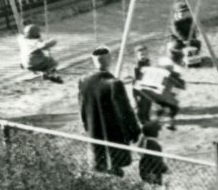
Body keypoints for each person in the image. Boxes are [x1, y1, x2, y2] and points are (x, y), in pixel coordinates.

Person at [78, 46, 141, 176]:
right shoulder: (114, 84)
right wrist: (134, 131)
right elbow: (125, 111)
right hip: (113, 131)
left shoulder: (83, 80)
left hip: (94, 128)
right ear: (109, 60)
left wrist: (86, 125)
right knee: (115, 163)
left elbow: (82, 107)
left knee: (100, 162)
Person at [134, 49, 186, 131]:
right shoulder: (173, 69)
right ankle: (166, 122)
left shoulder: (164, 63)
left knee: (163, 107)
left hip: (155, 90)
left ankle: (162, 120)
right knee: (171, 107)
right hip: (154, 90)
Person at [137, 121, 169, 186]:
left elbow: (139, 150)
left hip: (144, 169)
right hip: (153, 171)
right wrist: (165, 169)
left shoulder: (145, 141)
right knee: (155, 186)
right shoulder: (155, 145)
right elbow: (157, 160)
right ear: (156, 133)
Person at [132, 44, 153, 123]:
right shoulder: (137, 67)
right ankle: (142, 119)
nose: (144, 56)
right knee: (142, 105)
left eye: (146, 54)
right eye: (141, 55)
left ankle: (147, 117)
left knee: (148, 103)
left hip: (147, 86)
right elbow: (137, 80)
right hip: (140, 89)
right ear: (137, 56)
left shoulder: (148, 63)